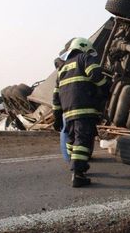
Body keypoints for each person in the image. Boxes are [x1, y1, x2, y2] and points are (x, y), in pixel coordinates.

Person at [52, 37, 109, 187]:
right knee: (82, 142)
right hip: (84, 110)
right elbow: (95, 73)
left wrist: (57, 117)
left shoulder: (62, 68)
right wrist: (105, 88)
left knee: (72, 141)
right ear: (84, 48)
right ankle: (78, 174)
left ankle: (77, 167)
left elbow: (56, 96)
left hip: (68, 113)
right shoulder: (84, 58)